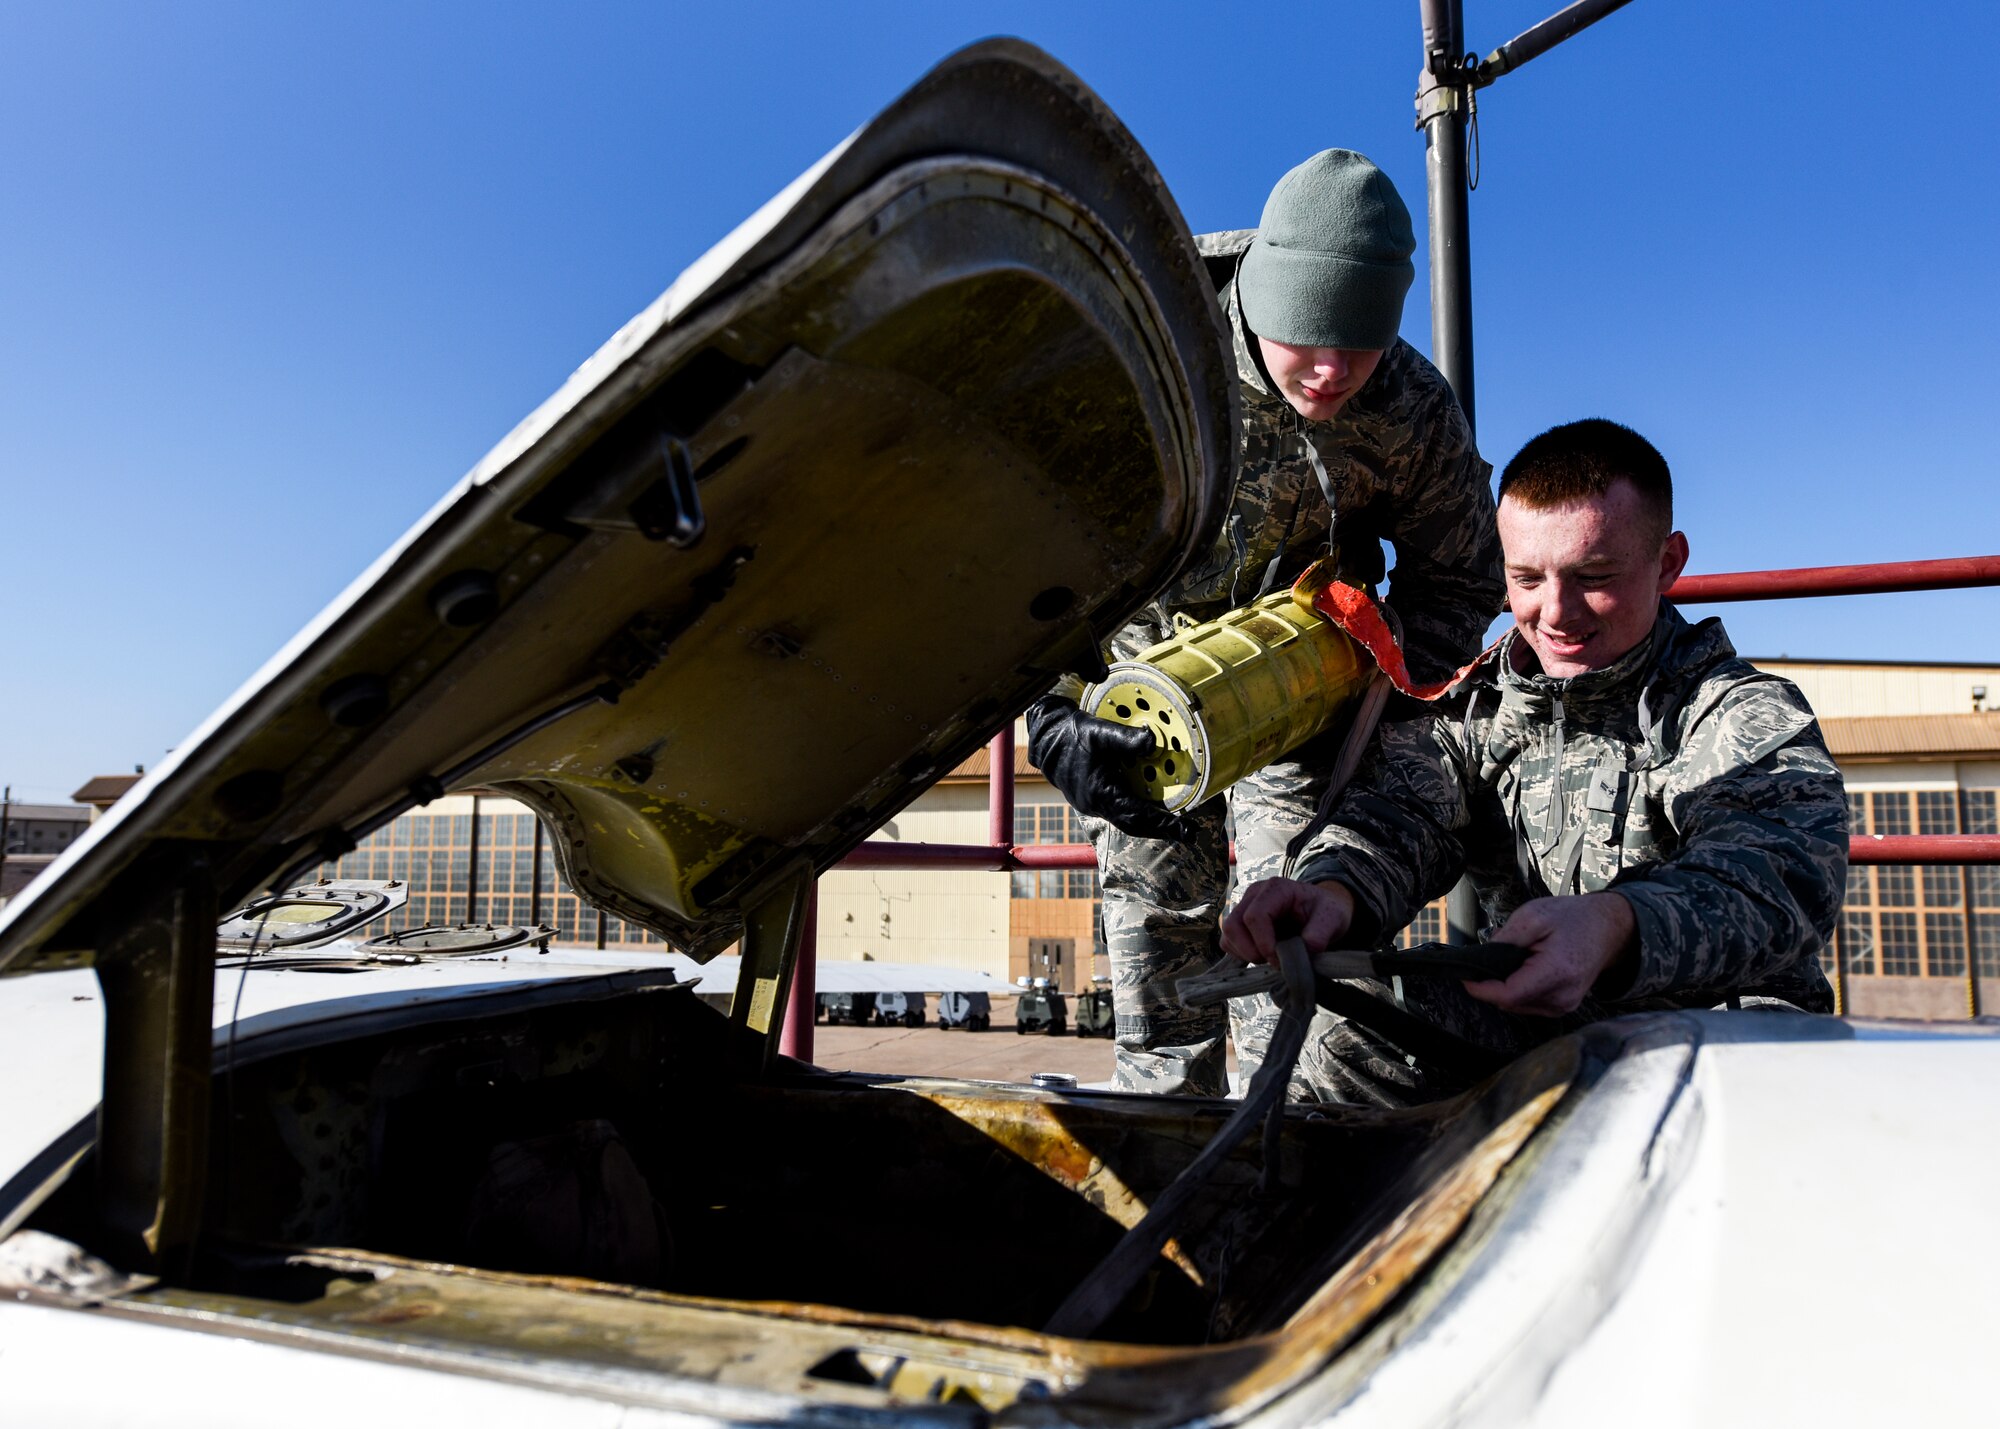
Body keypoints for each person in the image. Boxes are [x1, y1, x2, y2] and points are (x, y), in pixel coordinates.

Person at [1028, 150, 1504, 1096]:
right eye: (1307, 337)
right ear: (1256, 297)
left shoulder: (1409, 405)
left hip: (1303, 716)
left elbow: (1463, 579)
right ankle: (1169, 1186)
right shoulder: (1145, 347)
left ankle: (1286, 1183)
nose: (1331, 371)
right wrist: (1051, 710)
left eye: (1359, 345)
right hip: (1141, 716)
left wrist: (1371, 676)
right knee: (1161, 983)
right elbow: (1031, 548)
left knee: (1292, 971)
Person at [1220, 419, 1849, 1107]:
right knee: (1340, 1026)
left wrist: (1616, 925)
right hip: (1544, 1028)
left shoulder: (1735, 714)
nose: (1556, 612)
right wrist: (1331, 893)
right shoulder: (1478, 709)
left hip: (1712, 1042)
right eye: (1526, 578)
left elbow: (1784, 877)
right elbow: (1399, 816)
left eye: (1594, 577)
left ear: (1667, 563)